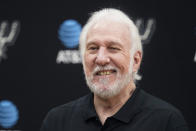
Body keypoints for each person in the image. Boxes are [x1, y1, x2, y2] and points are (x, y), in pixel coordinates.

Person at [41, 8, 189, 131]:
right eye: (93, 48)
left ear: (135, 60)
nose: (101, 58)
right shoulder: (57, 122)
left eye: (113, 48)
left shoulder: (167, 122)